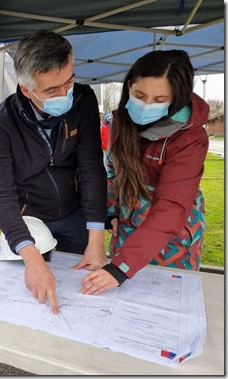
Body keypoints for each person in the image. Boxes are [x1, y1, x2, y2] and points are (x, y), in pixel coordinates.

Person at [0, 30, 108, 315]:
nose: (65, 94)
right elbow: (2, 194)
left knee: (83, 291)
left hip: (75, 212)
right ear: (26, 89)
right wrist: (30, 256)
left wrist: (97, 240)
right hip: (30, 218)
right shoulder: (2, 123)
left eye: (69, 81)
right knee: (34, 297)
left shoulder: (84, 99)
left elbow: (91, 168)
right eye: (52, 90)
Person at [80, 50, 209, 295]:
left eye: (159, 99)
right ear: (129, 85)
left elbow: (172, 205)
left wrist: (120, 268)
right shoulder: (118, 123)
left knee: (165, 296)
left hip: (174, 235)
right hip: (128, 226)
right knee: (125, 297)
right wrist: (111, 212)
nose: (146, 105)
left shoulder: (190, 137)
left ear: (176, 99)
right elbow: (112, 172)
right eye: (139, 95)